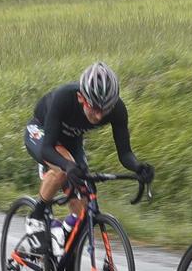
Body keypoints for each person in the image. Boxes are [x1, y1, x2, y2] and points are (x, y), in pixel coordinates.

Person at [22, 62, 155, 260]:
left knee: (84, 201)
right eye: (94, 108)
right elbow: (48, 149)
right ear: (81, 97)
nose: (99, 115)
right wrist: (68, 166)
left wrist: (138, 167)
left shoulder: (117, 110)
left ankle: (63, 233)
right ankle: (36, 217)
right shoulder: (64, 98)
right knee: (63, 169)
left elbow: (125, 153)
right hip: (41, 133)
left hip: (72, 140)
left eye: (105, 109)